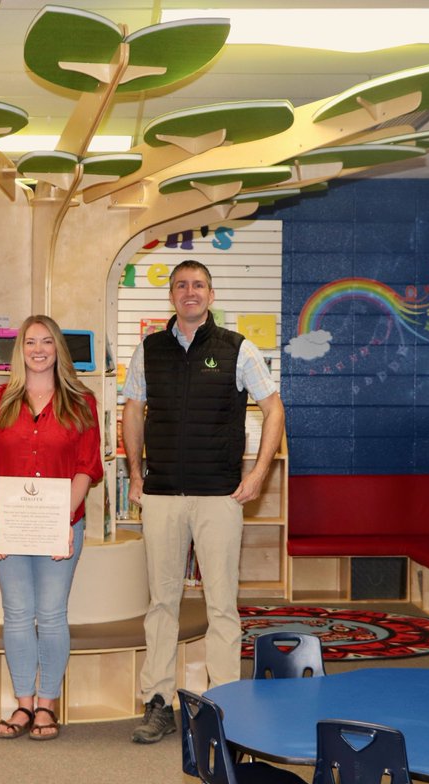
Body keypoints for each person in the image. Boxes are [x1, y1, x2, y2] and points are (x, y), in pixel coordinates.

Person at [122, 260, 285, 744]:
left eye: (197, 285)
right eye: (180, 286)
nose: (189, 293)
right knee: (161, 603)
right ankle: (158, 702)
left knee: (221, 606)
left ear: (210, 294)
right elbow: (133, 409)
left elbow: (273, 409)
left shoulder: (238, 348)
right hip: (163, 492)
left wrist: (259, 472)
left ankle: (224, 707)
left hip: (219, 495)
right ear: (171, 296)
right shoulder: (149, 350)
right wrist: (135, 473)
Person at [0, 315, 102, 741]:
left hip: (62, 524)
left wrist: (63, 519)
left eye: (48, 341)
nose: (39, 349)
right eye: (31, 342)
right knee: (15, 614)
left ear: (58, 350)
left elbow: (87, 467)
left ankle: (47, 705)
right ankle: (22, 704)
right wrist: (1, 516)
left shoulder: (82, 402)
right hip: (11, 524)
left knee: (50, 615)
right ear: (20, 350)